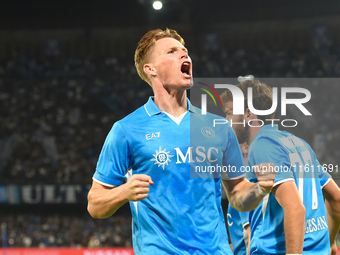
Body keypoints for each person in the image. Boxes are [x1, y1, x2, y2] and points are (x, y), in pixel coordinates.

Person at [87, 28, 275, 255]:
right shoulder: (126, 130)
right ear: (150, 69)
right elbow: (95, 205)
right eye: (172, 51)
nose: (184, 55)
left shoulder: (218, 127)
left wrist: (259, 189)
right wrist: (123, 192)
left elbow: (236, 194)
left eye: (185, 51)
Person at [221, 79, 340, 255]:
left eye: (230, 114)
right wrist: (329, 243)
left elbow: (295, 209)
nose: (226, 121)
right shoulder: (299, 143)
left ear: (248, 114)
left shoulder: (262, 146)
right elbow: (336, 198)